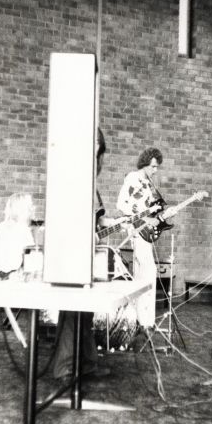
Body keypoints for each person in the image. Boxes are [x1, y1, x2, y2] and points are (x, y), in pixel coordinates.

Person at [52, 128, 126, 382]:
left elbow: (96, 219)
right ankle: (64, 368)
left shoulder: (90, 185)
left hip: (86, 254)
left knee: (85, 311)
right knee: (73, 311)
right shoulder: (72, 178)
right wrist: (84, 237)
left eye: (97, 152)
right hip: (72, 252)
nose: (94, 157)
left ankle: (86, 363)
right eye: (91, 150)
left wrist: (116, 223)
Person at [116, 147, 176, 328]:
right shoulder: (133, 178)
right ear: (144, 163)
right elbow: (122, 205)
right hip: (137, 230)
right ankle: (145, 321)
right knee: (148, 271)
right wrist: (144, 219)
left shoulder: (149, 183)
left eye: (157, 167)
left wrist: (165, 214)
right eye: (153, 166)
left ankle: (140, 319)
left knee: (142, 274)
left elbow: (152, 211)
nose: (155, 170)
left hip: (145, 231)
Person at [0, 193, 35, 278]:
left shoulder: (2, 226)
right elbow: (31, 255)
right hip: (13, 274)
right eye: (30, 207)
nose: (33, 209)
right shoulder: (23, 228)